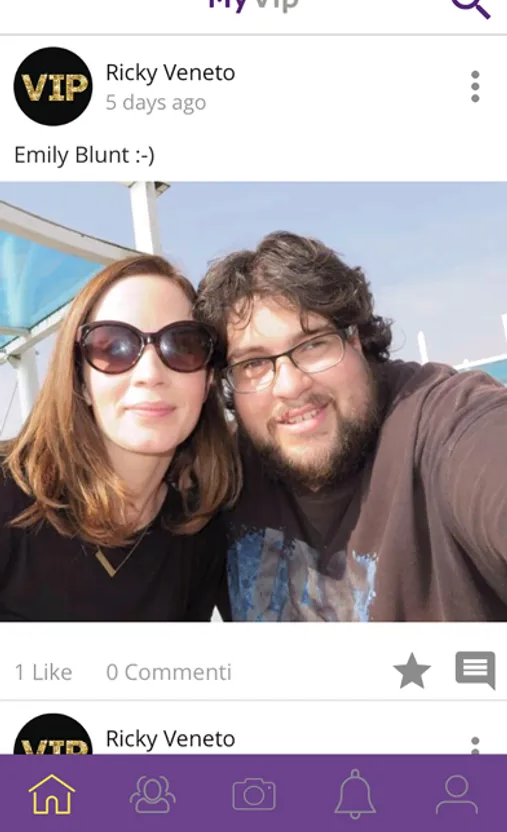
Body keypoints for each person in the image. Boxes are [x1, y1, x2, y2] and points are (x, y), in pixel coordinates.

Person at [195, 231, 507, 622]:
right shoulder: (218, 478)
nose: (290, 386)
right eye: (253, 364)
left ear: (355, 339)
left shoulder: (441, 421)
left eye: (313, 344)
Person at [0, 254, 240, 621]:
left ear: (208, 379)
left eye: (183, 345)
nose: (150, 374)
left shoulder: (200, 535)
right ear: (80, 379)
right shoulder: (8, 494)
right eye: (113, 347)